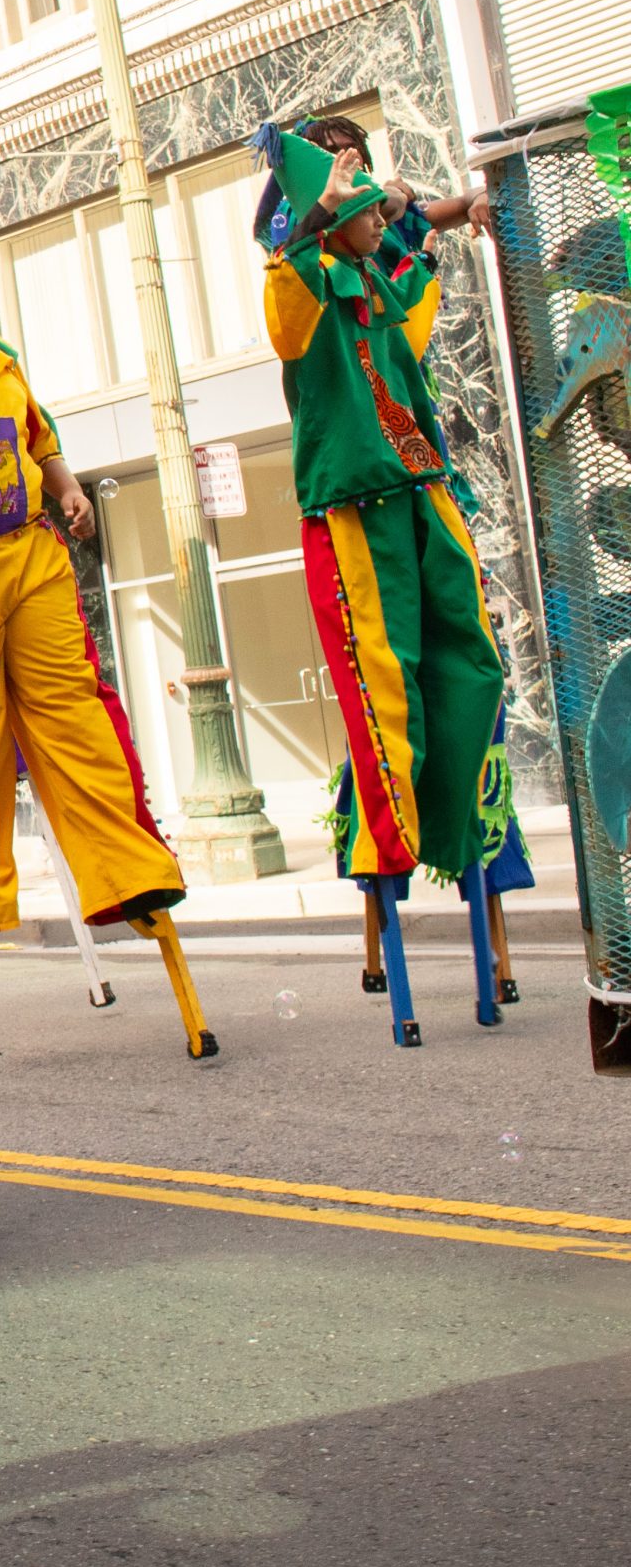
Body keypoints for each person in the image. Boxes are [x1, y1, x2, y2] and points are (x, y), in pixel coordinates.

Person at [0, 176, 213, 1062]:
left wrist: (68, 490)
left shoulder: (1, 352)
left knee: (77, 716)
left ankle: (132, 877)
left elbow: (39, 433)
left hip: (32, 558)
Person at [258, 123, 510, 1038]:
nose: (377, 216)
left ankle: (449, 822)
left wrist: (430, 227)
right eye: (359, 209)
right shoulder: (307, 284)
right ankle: (392, 840)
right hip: (356, 505)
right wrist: (318, 215)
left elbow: (414, 310)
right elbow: (283, 306)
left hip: (421, 489)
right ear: (331, 223)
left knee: (473, 663)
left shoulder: (373, 277)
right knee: (384, 685)